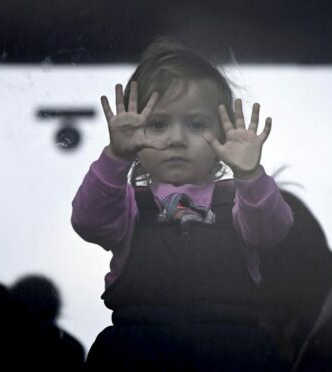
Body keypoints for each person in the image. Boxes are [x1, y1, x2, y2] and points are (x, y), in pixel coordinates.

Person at [71, 37, 293, 370]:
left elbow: (270, 230)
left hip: (234, 354)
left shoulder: (236, 198)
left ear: (222, 134)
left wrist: (249, 175)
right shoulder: (129, 204)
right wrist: (116, 158)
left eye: (196, 124)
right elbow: (89, 221)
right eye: (158, 124)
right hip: (136, 353)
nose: (176, 138)